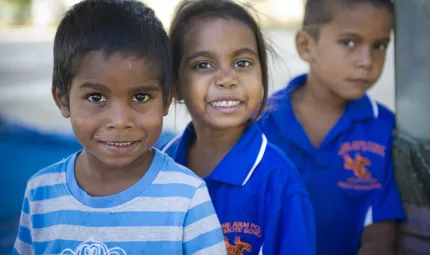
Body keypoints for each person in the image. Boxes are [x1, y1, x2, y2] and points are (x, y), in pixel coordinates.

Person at [12, 1, 226, 254]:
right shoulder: (41, 193)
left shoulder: (187, 197)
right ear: (63, 99)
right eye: (96, 97)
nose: (121, 120)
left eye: (141, 97)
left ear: (167, 100)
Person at [163, 0, 315, 254]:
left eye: (242, 63)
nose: (226, 79)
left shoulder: (278, 182)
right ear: (176, 84)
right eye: (203, 64)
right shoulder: (162, 166)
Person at [258, 0, 406, 254]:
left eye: (379, 45)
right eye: (349, 42)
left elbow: (380, 234)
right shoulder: (261, 123)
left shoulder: (384, 129)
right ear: (306, 46)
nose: (366, 61)